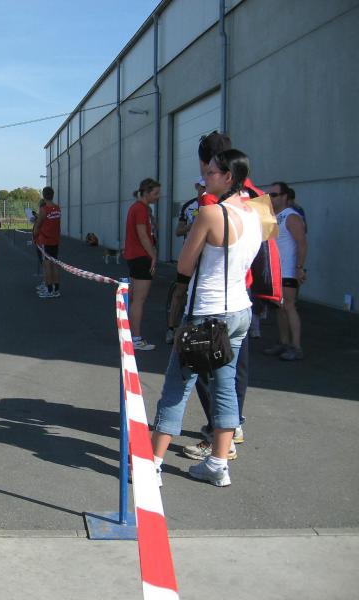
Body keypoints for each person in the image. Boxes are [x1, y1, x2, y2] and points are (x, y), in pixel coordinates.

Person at [152, 148, 262, 487]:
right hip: (239, 310)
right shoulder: (255, 213)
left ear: (228, 177)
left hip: (206, 312)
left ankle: (152, 465)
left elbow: (185, 265)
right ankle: (218, 463)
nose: (204, 179)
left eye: (210, 172)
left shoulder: (211, 213)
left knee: (177, 385)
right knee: (225, 386)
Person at [264, 181, 307, 360]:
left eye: (274, 195)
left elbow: (302, 244)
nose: (270, 198)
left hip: (288, 270)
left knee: (289, 306)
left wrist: (299, 268)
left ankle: (296, 347)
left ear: (284, 197)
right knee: (279, 308)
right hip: (275, 271)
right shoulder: (273, 217)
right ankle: (284, 343)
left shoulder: (291, 216)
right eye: (269, 195)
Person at [123, 178, 160, 349]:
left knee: (133, 298)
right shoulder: (139, 209)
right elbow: (143, 235)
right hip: (141, 257)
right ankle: (136, 339)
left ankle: (129, 334)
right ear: (146, 193)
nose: (158, 197)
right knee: (139, 300)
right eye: (155, 193)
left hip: (136, 256)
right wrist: (153, 256)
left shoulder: (141, 208)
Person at [166, 179, 205, 344]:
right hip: (190, 255)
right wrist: (192, 226)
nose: (204, 190)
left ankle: (199, 331)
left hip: (208, 258)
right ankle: (171, 328)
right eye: (202, 187)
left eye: (207, 187)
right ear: (197, 187)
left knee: (202, 294)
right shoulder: (189, 206)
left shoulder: (217, 205)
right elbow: (178, 231)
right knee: (180, 291)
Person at [34, 187, 61, 298]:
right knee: (54, 265)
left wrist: (35, 235)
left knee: (47, 266)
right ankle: (56, 289)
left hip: (46, 240)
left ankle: (49, 290)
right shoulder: (57, 208)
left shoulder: (44, 209)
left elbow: (38, 225)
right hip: (55, 240)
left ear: (44, 196)